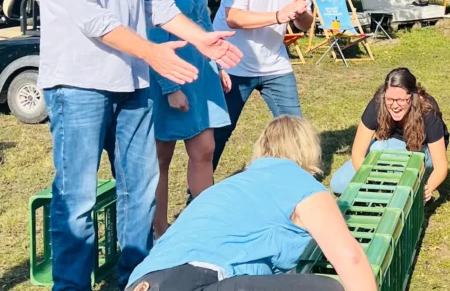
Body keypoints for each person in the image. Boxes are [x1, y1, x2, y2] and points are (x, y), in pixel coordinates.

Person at [36, 0, 242, 291]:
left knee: (143, 190)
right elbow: (92, 17)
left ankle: (135, 281)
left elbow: (153, 1)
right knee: (78, 200)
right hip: (79, 85)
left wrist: (201, 38)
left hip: (131, 85)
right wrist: (153, 54)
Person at [126, 116, 377, 291]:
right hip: (197, 280)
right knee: (329, 289)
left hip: (142, 280)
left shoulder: (232, 185)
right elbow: (350, 258)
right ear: (308, 150)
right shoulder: (298, 181)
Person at [146, 0, 231, 237]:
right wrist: (169, 86)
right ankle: (161, 232)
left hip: (200, 72)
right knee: (161, 158)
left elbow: (203, 19)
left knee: (205, 148)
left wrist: (217, 61)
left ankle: (202, 229)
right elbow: (154, 33)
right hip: (167, 71)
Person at [211, 0, 313, 171]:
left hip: (274, 64)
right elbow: (233, 17)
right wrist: (279, 16)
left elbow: (306, 24)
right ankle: (197, 195)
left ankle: (295, 185)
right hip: (232, 62)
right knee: (218, 134)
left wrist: (301, 14)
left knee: (294, 130)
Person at [329, 68, 449, 200]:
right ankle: (388, 179)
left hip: (421, 151)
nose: (395, 105)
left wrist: (427, 189)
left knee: (378, 148)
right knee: (339, 184)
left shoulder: (428, 112)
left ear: (412, 97)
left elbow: (441, 166)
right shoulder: (377, 103)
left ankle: (406, 180)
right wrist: (370, 180)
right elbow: (358, 153)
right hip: (388, 146)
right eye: (390, 99)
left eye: (401, 100)